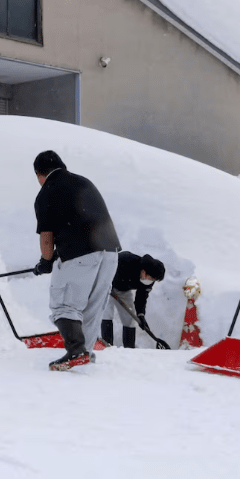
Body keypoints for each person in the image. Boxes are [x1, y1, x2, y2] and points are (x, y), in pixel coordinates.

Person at [32, 150, 122, 370]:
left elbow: (46, 237)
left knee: (64, 305)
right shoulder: (84, 182)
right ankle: (84, 354)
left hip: (80, 253)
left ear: (39, 174)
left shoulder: (47, 192)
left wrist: (45, 262)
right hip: (110, 252)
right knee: (92, 306)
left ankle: (76, 351)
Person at [101, 252, 167, 349]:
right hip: (106, 285)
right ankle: (106, 346)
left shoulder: (149, 280)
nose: (149, 280)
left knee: (130, 318)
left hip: (123, 290)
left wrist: (141, 314)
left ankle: (129, 349)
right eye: (149, 277)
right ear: (144, 270)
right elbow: (105, 269)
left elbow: (141, 297)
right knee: (107, 313)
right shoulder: (126, 260)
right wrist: (107, 285)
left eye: (153, 279)